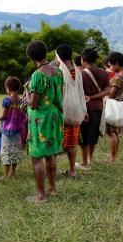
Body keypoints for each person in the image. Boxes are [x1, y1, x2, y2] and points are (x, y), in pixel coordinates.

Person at [24, 40, 64, 203]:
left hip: (41, 120)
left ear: (31, 57)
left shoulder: (37, 75)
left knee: (37, 157)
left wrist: (26, 90)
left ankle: (41, 195)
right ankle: (52, 188)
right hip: (55, 117)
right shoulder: (57, 71)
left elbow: (33, 103)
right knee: (50, 153)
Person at [77, 48, 110, 170]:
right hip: (99, 108)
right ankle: (90, 159)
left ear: (83, 59)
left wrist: (89, 97)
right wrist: (93, 97)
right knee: (94, 134)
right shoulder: (104, 73)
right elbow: (107, 91)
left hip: (85, 109)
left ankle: (84, 162)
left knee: (84, 136)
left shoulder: (81, 74)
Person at [55, 44, 84, 178]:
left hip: (62, 113)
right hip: (75, 112)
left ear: (59, 56)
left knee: (56, 141)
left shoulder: (58, 71)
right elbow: (81, 92)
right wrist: (84, 110)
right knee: (73, 142)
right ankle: (72, 170)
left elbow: (57, 94)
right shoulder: (77, 71)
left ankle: (53, 170)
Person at [0, 76, 25, 180]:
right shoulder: (21, 101)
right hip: (17, 130)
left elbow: (3, 116)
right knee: (16, 150)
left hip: (7, 132)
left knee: (6, 152)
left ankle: (6, 174)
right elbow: (23, 116)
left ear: (7, 88)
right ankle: (13, 172)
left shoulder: (6, 101)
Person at [105, 52, 123, 164]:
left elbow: (111, 94)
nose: (110, 68)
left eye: (111, 65)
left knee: (111, 133)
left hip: (113, 106)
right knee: (115, 133)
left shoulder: (118, 77)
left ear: (116, 63)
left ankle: (112, 158)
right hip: (121, 106)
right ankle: (115, 155)